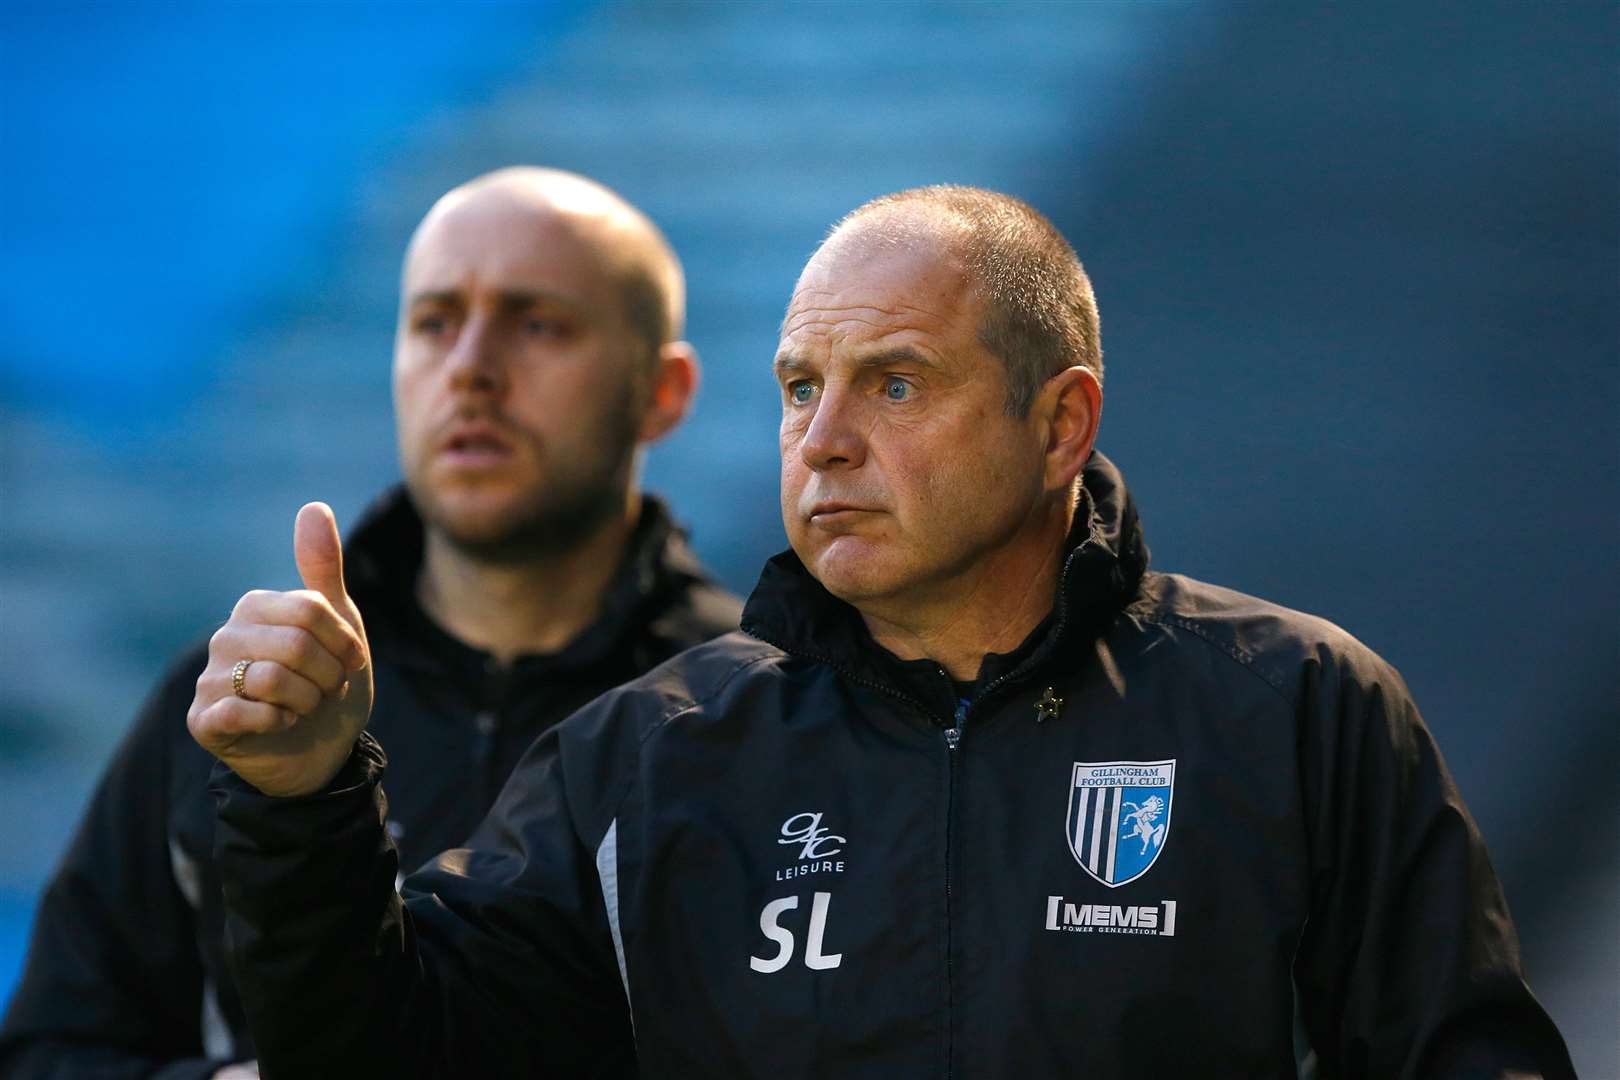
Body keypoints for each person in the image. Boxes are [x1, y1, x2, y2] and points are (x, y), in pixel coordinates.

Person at [187, 186, 1573, 1077]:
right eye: (800, 387)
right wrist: (307, 800)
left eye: (894, 384)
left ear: (1060, 424)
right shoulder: (651, 756)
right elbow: (384, 1056)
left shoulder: (1296, 711)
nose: (826, 440)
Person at [0, 167, 741, 1079]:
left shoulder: (755, 704)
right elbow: (50, 1054)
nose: (469, 365)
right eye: (434, 323)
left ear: (661, 390)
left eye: (537, 323)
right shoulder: (249, 700)